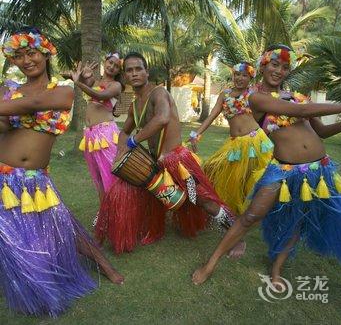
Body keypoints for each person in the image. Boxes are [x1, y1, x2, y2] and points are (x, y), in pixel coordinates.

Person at [192, 44, 341, 288]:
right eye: (275, 64)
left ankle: (276, 269)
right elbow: (303, 110)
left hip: (319, 170)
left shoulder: (296, 96)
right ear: (263, 65)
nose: (279, 70)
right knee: (251, 216)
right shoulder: (255, 97)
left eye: (285, 67)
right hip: (283, 170)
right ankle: (210, 263)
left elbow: (323, 131)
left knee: (296, 221)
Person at [0, 27, 123, 317]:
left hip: (35, 180)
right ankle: (37, 285)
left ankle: (104, 265)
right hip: (4, 178)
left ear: (45, 53)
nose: (26, 60)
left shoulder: (63, 90)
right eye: (18, 56)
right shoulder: (10, 91)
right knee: (14, 239)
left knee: (62, 227)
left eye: (31, 53)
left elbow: (37, 103)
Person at [95, 52, 243, 255]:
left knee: (202, 199)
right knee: (157, 198)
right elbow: (124, 131)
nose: (134, 73)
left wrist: (133, 141)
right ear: (125, 75)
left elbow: (162, 118)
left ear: (147, 72)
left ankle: (236, 238)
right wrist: (121, 152)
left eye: (138, 69)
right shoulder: (134, 106)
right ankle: (146, 229)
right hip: (157, 163)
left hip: (179, 163)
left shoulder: (159, 94)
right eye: (129, 70)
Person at [189, 62, 273, 215]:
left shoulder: (253, 94)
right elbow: (212, 115)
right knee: (211, 170)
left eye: (244, 75)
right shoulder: (225, 94)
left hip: (255, 141)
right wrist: (197, 133)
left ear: (250, 78)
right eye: (237, 74)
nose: (240, 78)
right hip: (235, 144)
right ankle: (223, 210)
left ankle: (253, 212)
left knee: (256, 179)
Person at [69, 53, 123, 202]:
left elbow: (100, 96)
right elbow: (85, 83)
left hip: (105, 134)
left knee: (110, 178)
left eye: (116, 66)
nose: (112, 67)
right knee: (98, 179)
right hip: (90, 136)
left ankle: (118, 214)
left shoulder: (116, 85)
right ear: (105, 62)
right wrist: (83, 77)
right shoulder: (96, 80)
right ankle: (105, 214)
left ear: (119, 71)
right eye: (110, 63)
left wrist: (78, 83)